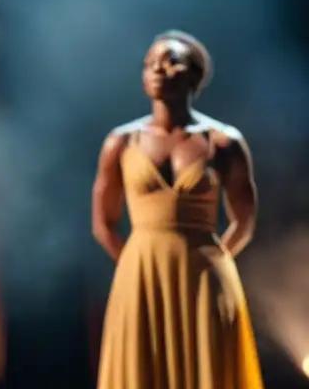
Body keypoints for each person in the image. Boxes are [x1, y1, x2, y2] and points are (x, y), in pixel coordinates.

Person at [92, 30, 263, 389]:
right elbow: (103, 223)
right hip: (140, 276)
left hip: (206, 278)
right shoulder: (121, 142)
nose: (158, 68)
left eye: (171, 61)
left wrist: (213, 262)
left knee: (210, 371)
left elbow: (244, 220)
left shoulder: (223, 142)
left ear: (193, 75)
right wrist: (134, 265)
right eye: (150, 63)